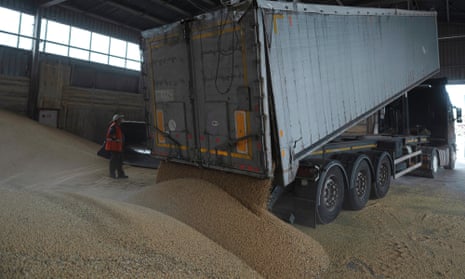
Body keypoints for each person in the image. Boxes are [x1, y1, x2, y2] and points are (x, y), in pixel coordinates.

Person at [105, 114, 128, 179]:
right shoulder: (114, 127)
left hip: (117, 147)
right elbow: (111, 135)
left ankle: (120, 174)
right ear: (117, 120)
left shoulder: (117, 126)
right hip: (114, 147)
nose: (121, 120)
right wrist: (115, 138)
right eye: (120, 119)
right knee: (114, 161)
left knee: (119, 161)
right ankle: (112, 174)